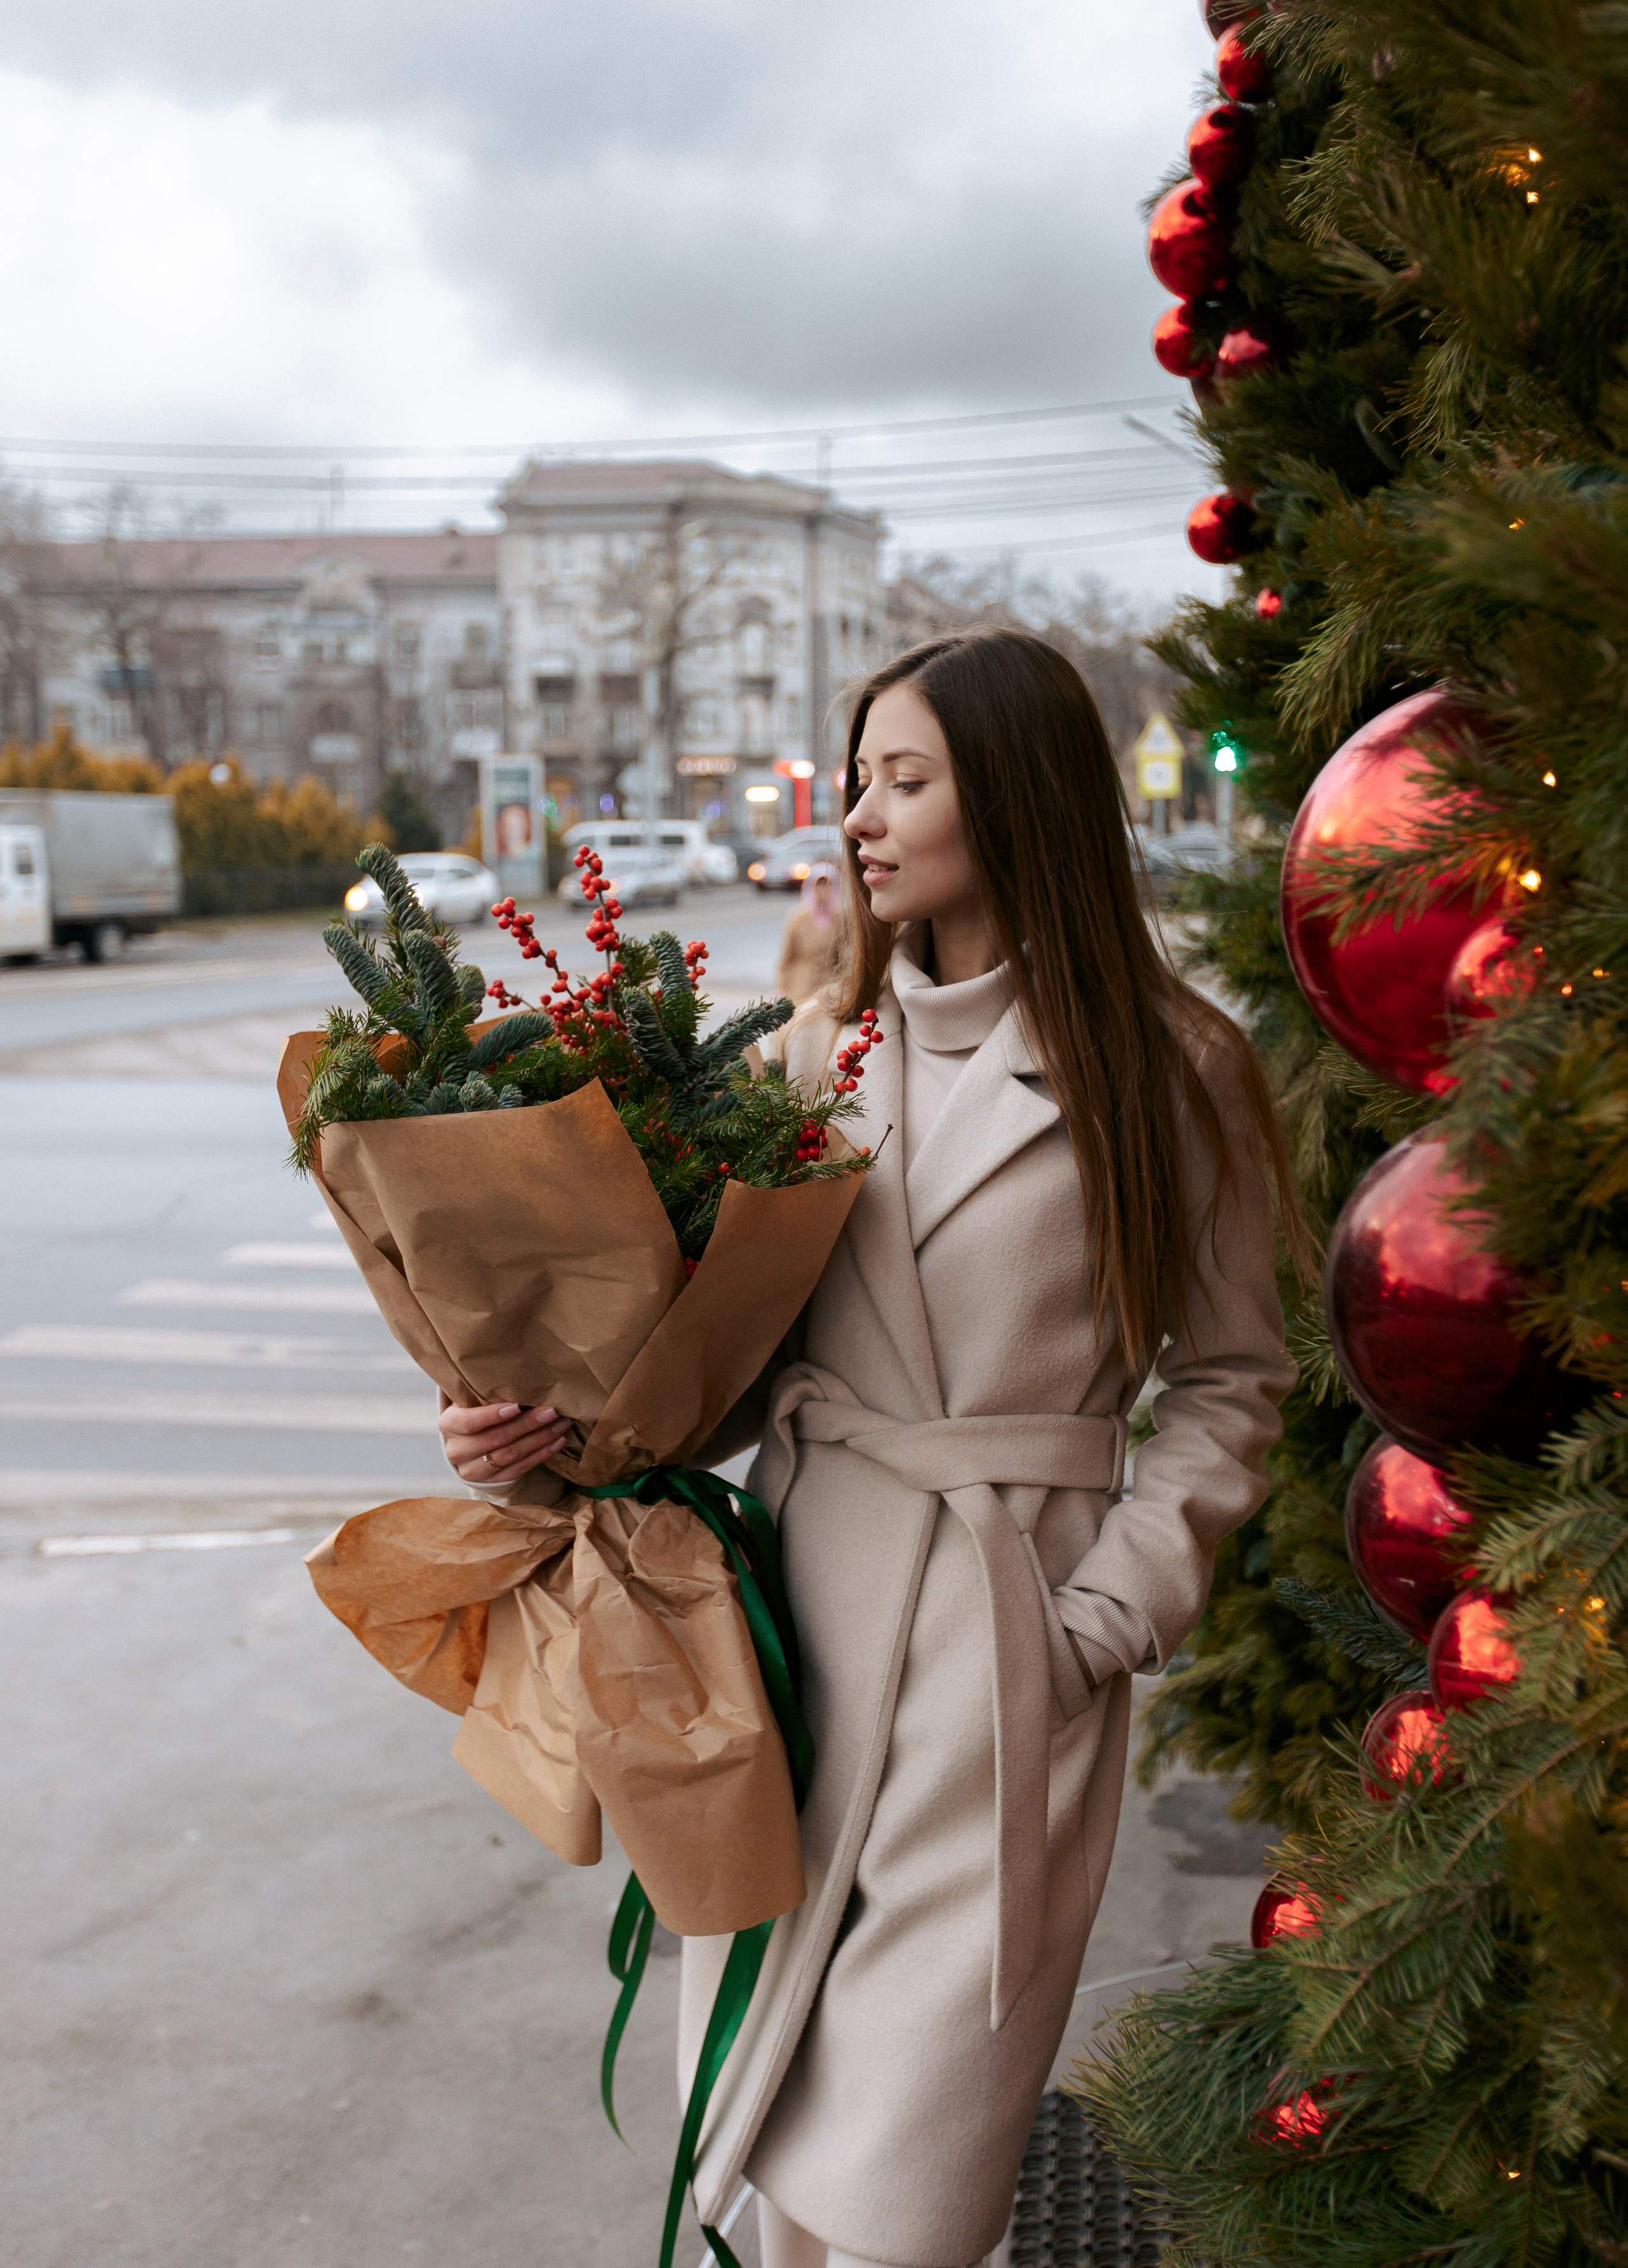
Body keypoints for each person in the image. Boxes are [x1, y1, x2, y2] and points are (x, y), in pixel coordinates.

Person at [438, 629, 1306, 2268]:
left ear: (1023, 793)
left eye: (904, 778)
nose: (856, 815)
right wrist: (536, 1432)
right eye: (855, 780)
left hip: (1006, 1644)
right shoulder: (798, 1059)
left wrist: (1098, 1621)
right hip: (792, 1635)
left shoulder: (1168, 1067)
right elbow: (708, 1376)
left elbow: (1230, 1379)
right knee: (781, 2162)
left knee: (907, 2172)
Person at [775, 862, 842, 1009]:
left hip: (831, 988)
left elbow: (846, 958)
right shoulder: (798, 919)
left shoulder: (842, 920)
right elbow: (787, 958)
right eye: (819, 885)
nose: (823, 891)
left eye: (828, 886)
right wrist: (782, 988)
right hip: (801, 986)